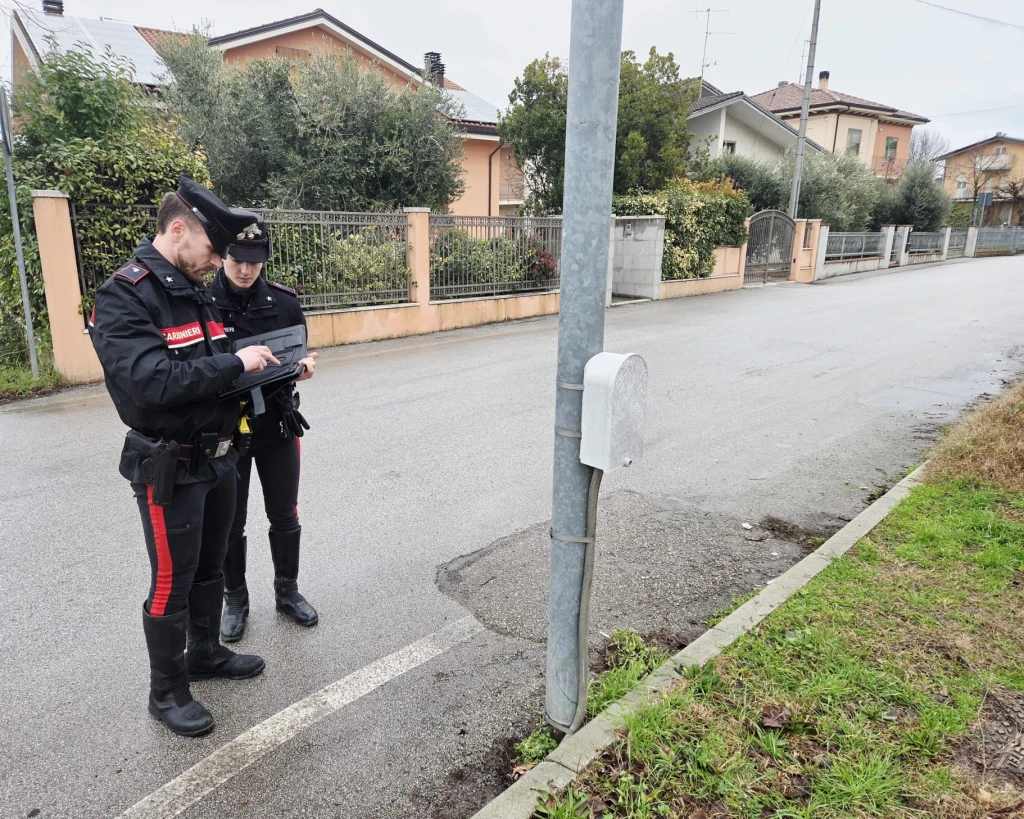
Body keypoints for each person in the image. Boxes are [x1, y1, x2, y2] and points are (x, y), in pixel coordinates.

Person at [89, 175, 280, 737]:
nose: (218, 261)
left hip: (219, 456)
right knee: (172, 579)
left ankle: (206, 653)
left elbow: (213, 366)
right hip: (170, 464)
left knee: (211, 566)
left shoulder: (194, 290)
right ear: (178, 230)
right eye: (213, 249)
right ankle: (166, 692)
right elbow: (150, 381)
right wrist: (235, 363)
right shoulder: (126, 294)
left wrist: (270, 369)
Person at [208, 214, 319, 643]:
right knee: (229, 522)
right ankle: (235, 600)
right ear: (223, 256)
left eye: (254, 261)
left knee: (285, 513)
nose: (244, 269)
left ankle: (287, 592)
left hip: (276, 422)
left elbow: (297, 355)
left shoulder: (284, 301)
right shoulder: (203, 303)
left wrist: (303, 369)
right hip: (227, 430)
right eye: (237, 259)